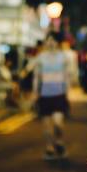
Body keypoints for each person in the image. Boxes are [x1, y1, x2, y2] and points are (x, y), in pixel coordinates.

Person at [33, 32, 69, 160]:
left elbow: (66, 76)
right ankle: (49, 148)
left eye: (53, 40)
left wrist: (66, 93)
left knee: (58, 123)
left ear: (57, 42)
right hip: (45, 95)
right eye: (48, 40)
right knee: (47, 126)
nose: (51, 42)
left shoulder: (63, 57)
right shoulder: (41, 57)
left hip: (59, 94)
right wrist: (35, 93)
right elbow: (37, 77)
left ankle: (59, 141)